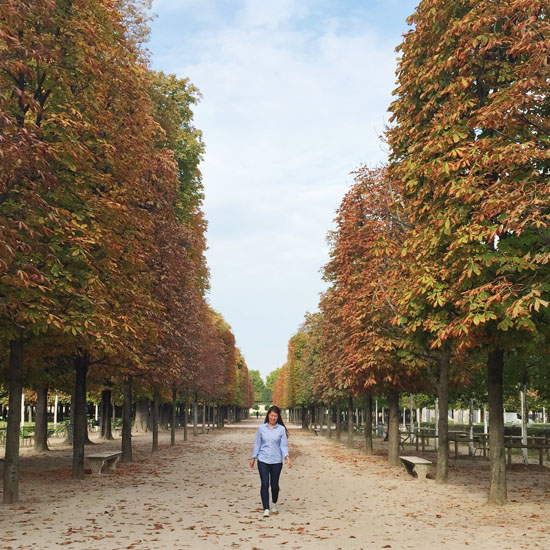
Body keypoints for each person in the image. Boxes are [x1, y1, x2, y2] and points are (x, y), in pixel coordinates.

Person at [249, 405, 292, 518]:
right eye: (271, 415)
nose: (273, 418)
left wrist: (287, 457)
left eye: (275, 416)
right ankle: (266, 508)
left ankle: (274, 503)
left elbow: (283, 445)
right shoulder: (261, 428)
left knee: (274, 485)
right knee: (264, 484)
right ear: (268, 415)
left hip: (276, 460)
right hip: (263, 459)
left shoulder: (281, 429)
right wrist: (253, 457)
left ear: (278, 417)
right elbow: (257, 443)